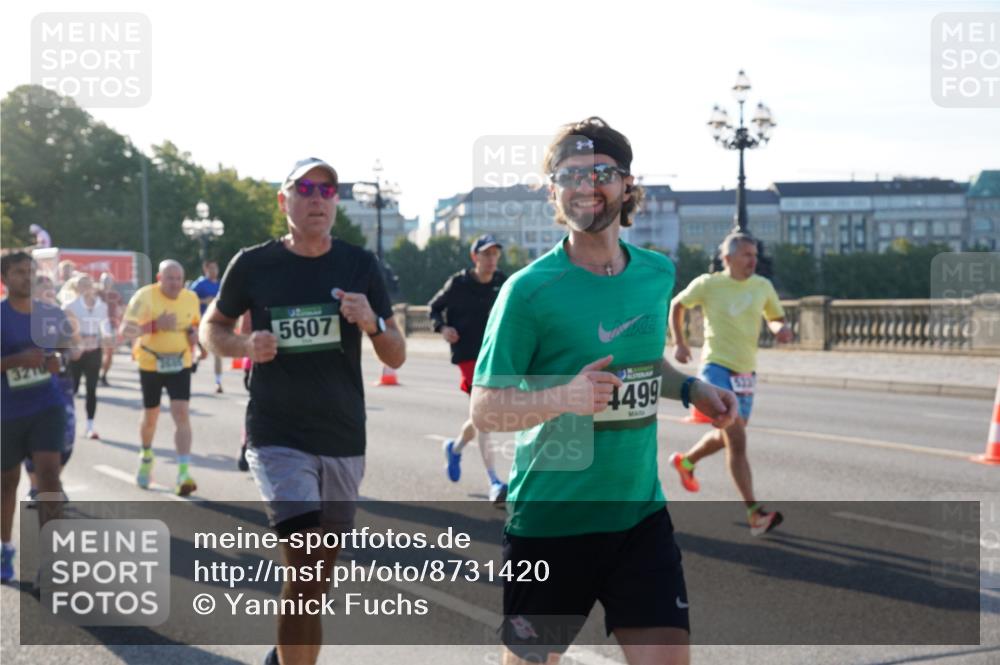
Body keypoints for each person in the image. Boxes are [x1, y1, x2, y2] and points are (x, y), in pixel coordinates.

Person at [469, 118, 737, 665]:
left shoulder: (656, 274)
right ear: (554, 192)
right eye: (570, 174)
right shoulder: (529, 292)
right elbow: (487, 408)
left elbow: (641, 364)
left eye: (602, 173)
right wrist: (562, 398)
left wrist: (691, 388)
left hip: (639, 518)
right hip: (551, 522)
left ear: (627, 184)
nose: (587, 185)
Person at [200, 157, 406, 665]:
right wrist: (246, 342)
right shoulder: (253, 263)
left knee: (317, 580)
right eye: (307, 188)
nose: (318, 198)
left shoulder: (360, 265)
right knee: (307, 566)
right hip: (277, 434)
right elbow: (212, 329)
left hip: (341, 435)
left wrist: (372, 321)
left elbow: (396, 352)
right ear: (284, 200)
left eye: (329, 191)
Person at [668, 231, 793, 536]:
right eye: (747, 255)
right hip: (715, 368)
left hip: (746, 373)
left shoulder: (763, 286)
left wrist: (780, 328)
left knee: (729, 431)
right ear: (728, 258)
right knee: (737, 439)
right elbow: (676, 305)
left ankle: (686, 462)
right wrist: (680, 344)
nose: (754, 260)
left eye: (755, 255)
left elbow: (774, 316)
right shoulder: (709, 284)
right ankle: (755, 513)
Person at [1, 252, 77, 583]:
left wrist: (58, 359)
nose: (26, 277)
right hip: (6, 410)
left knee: (49, 476)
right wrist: (15, 360)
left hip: (48, 405)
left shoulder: (50, 313)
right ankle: (5, 548)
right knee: (6, 483)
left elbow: (68, 349)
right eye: (19, 272)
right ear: (4, 277)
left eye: (30, 271)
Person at [429, 234, 509, 504]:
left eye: (495, 254)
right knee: (485, 415)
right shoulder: (459, 283)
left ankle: (455, 447)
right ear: (475, 257)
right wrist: (443, 328)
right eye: (486, 254)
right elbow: (434, 308)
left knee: (483, 415)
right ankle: (494, 481)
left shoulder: (503, 282)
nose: (491, 259)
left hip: (497, 356)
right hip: (468, 356)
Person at [119, 259, 201, 496]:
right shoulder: (145, 296)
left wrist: (195, 336)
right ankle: (146, 455)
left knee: (181, 413)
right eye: (170, 278)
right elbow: (125, 331)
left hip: (180, 362)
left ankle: (183, 473)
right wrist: (154, 326)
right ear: (159, 278)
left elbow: (193, 325)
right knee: (151, 416)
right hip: (151, 363)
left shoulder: (190, 298)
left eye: (179, 278)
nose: (175, 283)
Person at [23, 273, 77, 504]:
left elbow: (71, 347)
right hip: (28, 387)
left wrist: (69, 352)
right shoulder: (17, 318)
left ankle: (53, 480)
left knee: (66, 438)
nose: (48, 294)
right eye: (42, 290)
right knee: (32, 437)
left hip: (61, 384)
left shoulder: (58, 315)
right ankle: (37, 486)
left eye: (50, 290)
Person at [63, 273, 112, 439]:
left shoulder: (101, 306)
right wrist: (77, 341)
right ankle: (68, 422)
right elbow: (65, 330)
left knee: (92, 389)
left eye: (88, 284)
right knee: (73, 388)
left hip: (94, 351)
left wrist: (106, 337)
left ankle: (90, 425)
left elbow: (105, 326)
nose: (85, 288)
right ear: (76, 288)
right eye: (81, 285)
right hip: (76, 352)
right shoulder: (69, 306)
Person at [190, 260, 224, 393]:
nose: (213, 271)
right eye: (211, 269)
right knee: (204, 354)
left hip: (217, 323)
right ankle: (197, 360)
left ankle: (218, 382)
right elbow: (188, 298)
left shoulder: (222, 284)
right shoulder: (200, 284)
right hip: (201, 323)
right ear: (206, 270)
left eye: (215, 268)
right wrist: (204, 300)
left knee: (217, 353)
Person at [97, 272, 123, 386]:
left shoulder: (115, 295)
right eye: (104, 280)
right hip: (96, 326)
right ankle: (94, 374)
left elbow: (121, 310)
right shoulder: (96, 293)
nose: (106, 282)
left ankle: (104, 375)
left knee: (110, 353)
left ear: (112, 283)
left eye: (108, 280)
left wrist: (120, 326)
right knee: (97, 353)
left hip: (111, 326)